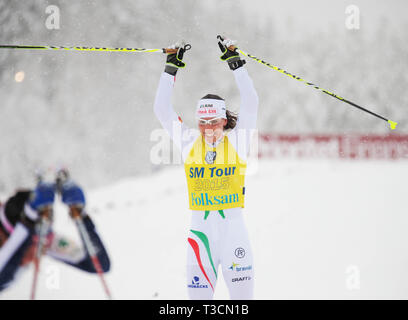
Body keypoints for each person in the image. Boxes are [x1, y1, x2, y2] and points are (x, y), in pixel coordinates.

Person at [154, 36, 259, 299]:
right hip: (201, 236)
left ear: (224, 120)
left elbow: (251, 102)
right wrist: (170, 69)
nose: (208, 128)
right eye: (202, 122)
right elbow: (161, 109)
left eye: (213, 121)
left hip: (234, 234)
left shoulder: (238, 141)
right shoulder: (189, 142)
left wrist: (237, 64)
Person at [0, 172, 110, 292]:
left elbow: (99, 265)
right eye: (26, 247)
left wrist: (80, 216)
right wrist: (29, 221)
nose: (35, 252)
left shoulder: (42, 241)